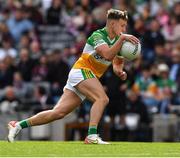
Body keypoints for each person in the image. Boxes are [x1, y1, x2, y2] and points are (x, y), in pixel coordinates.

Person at [7, 9, 139, 144]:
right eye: (122, 25)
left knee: (58, 113)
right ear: (112, 24)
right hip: (81, 71)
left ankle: (17, 125)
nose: (124, 29)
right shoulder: (98, 36)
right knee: (102, 99)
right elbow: (107, 55)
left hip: (87, 76)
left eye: (125, 26)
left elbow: (117, 61)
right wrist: (122, 39)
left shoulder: (119, 40)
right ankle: (92, 136)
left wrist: (119, 71)